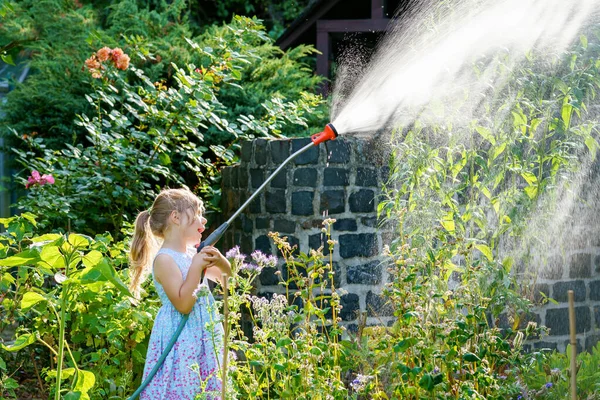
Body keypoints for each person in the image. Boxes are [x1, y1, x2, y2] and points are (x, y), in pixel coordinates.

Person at [129, 187, 231, 399]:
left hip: (203, 335)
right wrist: (196, 266)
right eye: (197, 214)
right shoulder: (165, 259)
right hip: (181, 340)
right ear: (175, 217)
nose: (203, 221)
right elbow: (183, 304)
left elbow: (225, 280)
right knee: (183, 387)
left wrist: (222, 262)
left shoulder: (193, 253)